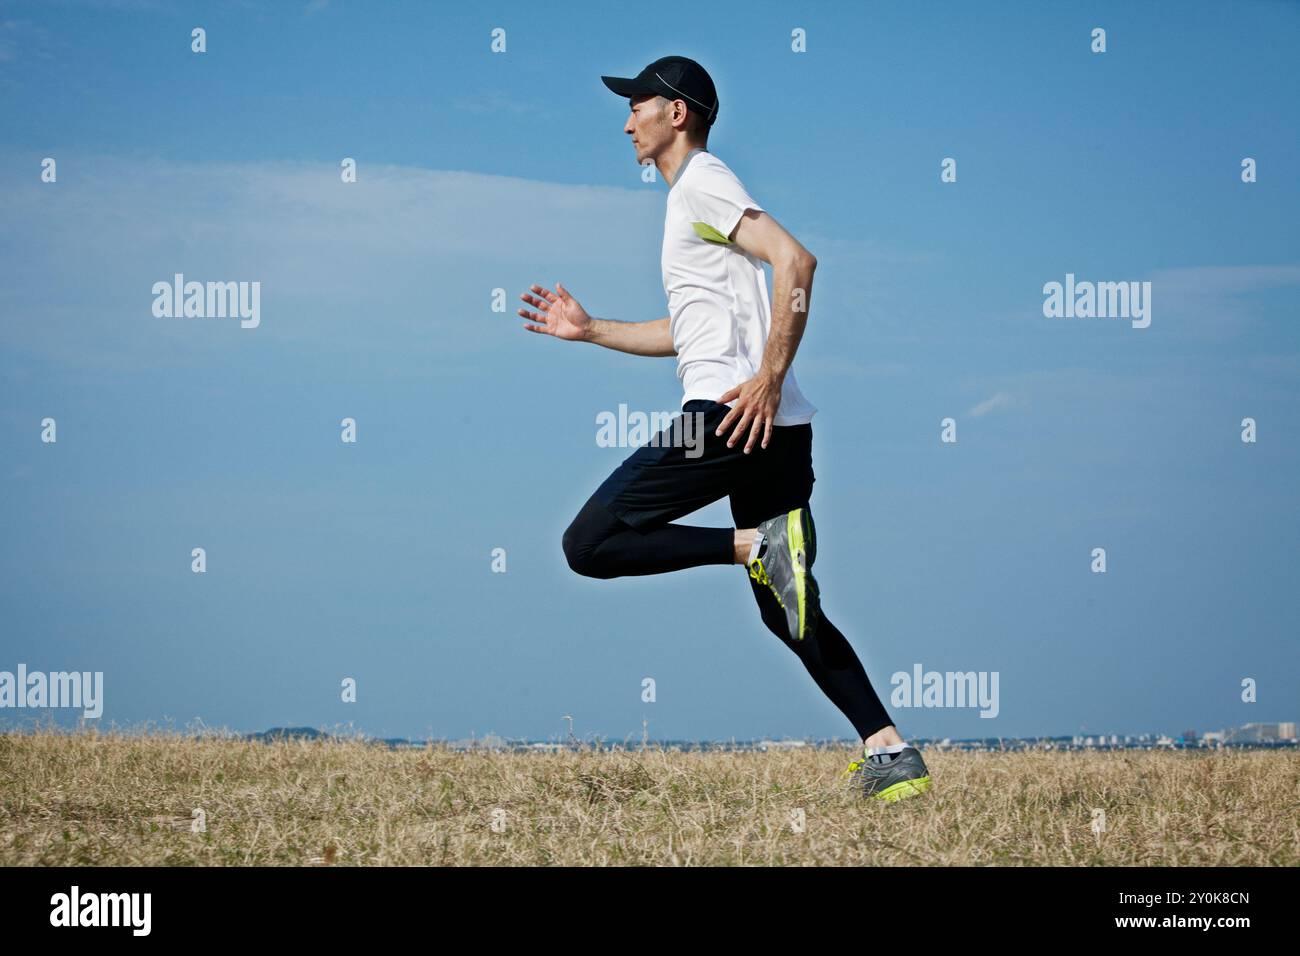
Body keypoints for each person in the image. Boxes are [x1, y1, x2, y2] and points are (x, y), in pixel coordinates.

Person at [516, 56, 930, 802]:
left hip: (726, 419)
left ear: (676, 112)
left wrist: (767, 377)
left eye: (636, 105)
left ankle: (749, 546)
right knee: (787, 607)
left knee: (588, 543)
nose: (625, 120)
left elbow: (796, 262)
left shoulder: (702, 181)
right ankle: (889, 749)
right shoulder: (692, 206)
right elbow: (689, 330)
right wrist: (591, 330)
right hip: (777, 430)